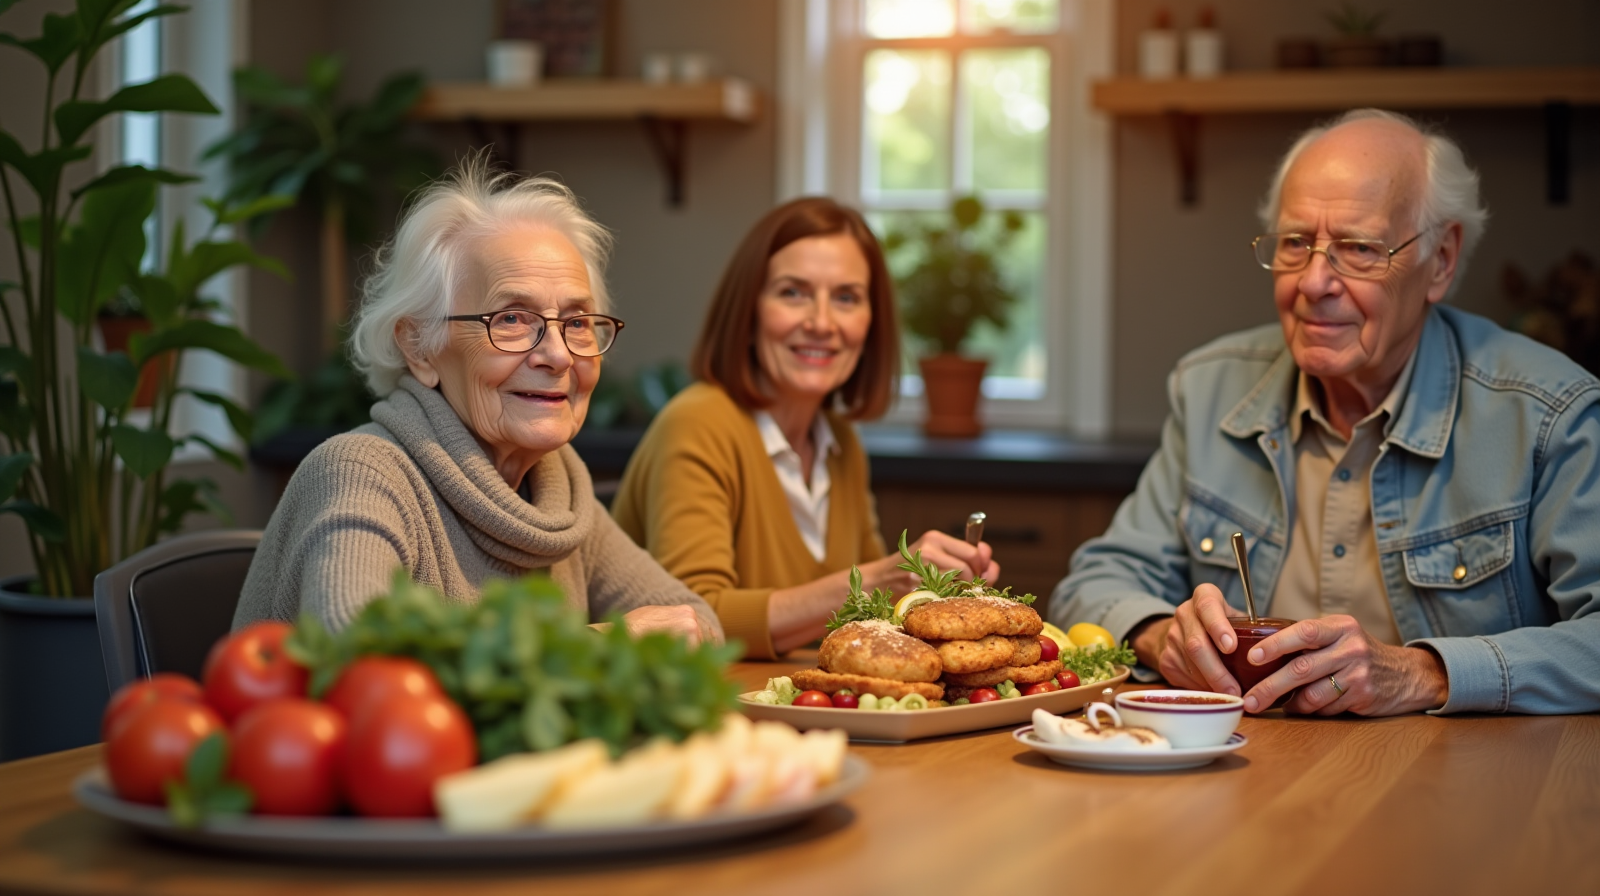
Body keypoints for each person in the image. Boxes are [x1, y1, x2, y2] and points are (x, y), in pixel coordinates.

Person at [1051, 109, 1600, 716]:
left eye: (1359, 248)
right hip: (1250, 776)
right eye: (1295, 243)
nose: (1314, 282)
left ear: (1440, 261)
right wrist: (1162, 637)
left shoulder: (1550, 415)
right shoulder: (1209, 388)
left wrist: (1424, 674)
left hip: (1468, 790)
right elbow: (1093, 585)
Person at [234, 162, 722, 645]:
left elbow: (695, 621)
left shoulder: (556, 487)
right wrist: (601, 646)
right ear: (418, 346)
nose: (557, 355)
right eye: (511, 318)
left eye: (576, 323)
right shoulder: (360, 473)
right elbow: (364, 659)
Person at [611, 197, 999, 659]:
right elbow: (695, 618)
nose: (820, 322)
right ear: (749, 312)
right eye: (793, 292)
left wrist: (929, 587)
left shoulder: (841, 444)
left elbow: (869, 619)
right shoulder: (697, 423)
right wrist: (882, 578)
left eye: (846, 297)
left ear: (870, 323)